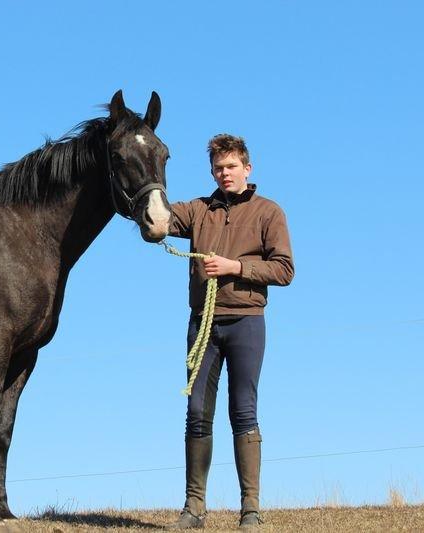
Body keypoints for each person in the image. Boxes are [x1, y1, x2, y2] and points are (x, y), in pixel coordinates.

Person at [166, 134, 294, 530]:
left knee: (243, 411)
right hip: (202, 324)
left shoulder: (268, 212)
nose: (224, 173)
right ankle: (193, 508)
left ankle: (250, 509)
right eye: (218, 168)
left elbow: (285, 270)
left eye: (231, 166)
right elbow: (159, 218)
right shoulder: (197, 210)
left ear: (247, 168)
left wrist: (236, 267)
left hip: (247, 322)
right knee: (196, 414)